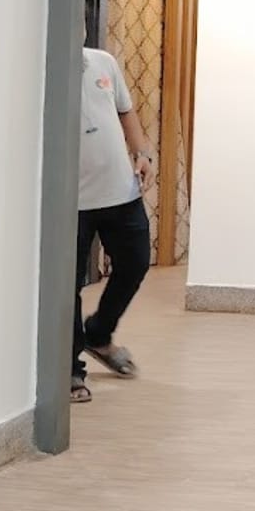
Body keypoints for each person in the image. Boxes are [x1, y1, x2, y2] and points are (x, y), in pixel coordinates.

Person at [73, 43, 154, 403]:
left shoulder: (103, 62)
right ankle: (70, 369)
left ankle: (99, 333)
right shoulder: (43, 68)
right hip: (72, 201)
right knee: (67, 287)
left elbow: (126, 111)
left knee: (135, 263)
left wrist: (143, 153)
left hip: (121, 191)